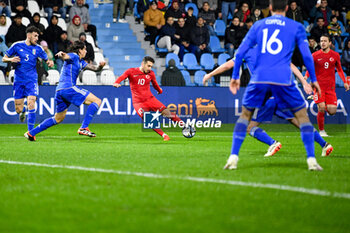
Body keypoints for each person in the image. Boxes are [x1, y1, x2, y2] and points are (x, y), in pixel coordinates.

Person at [224, 0, 323, 171]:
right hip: (282, 78)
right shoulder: (296, 26)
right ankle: (312, 160)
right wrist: (312, 78)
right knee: (302, 117)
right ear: (286, 8)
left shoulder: (258, 25)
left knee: (245, 116)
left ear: (269, 8)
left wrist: (235, 77)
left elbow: (239, 52)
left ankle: (233, 158)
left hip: (260, 78)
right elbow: (307, 56)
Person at [203, 47, 334, 158]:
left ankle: (273, 143)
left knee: (249, 127)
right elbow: (290, 65)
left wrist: (209, 74)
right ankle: (324, 144)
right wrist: (304, 82)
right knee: (298, 122)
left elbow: (227, 65)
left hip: (266, 93)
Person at [24, 41, 106, 141]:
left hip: (59, 90)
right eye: (84, 49)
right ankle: (84, 127)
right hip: (69, 88)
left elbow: (95, 68)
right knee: (97, 101)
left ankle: (31, 133)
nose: (86, 51)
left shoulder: (81, 62)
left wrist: (101, 66)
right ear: (79, 50)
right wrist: (62, 54)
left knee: (58, 118)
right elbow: (66, 56)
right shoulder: (75, 56)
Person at [113, 56, 185, 141]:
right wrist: (116, 82)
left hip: (150, 99)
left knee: (167, 112)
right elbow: (122, 77)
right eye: (148, 66)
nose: (150, 68)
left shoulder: (151, 73)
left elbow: (154, 84)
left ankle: (185, 126)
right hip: (138, 103)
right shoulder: (131, 71)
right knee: (148, 118)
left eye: (151, 66)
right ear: (143, 64)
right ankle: (164, 135)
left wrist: (159, 90)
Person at [2, 26, 54, 132]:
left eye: (38, 36)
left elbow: (47, 59)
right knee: (18, 109)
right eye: (35, 36)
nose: (36, 38)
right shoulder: (17, 46)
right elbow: (4, 58)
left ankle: (31, 132)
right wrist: (11, 59)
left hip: (32, 80)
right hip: (19, 80)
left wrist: (49, 62)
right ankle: (23, 110)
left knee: (31, 102)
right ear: (28, 35)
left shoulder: (38, 48)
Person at [305, 34, 349, 137]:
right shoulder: (315, 55)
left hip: (330, 87)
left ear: (330, 43)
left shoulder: (335, 55)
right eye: (321, 41)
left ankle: (316, 99)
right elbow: (310, 67)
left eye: (325, 41)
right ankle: (321, 131)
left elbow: (339, 69)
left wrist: (345, 82)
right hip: (319, 87)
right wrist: (306, 76)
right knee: (321, 108)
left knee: (332, 111)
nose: (322, 43)